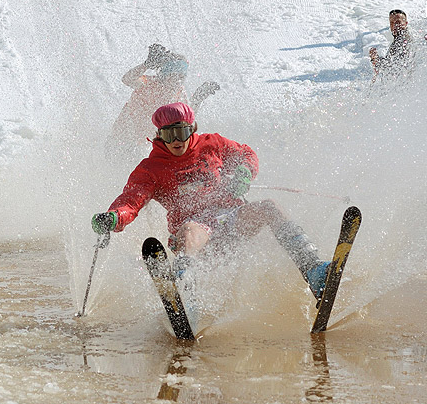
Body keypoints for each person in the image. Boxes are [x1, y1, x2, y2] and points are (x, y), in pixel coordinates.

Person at [91, 102, 332, 298]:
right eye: (168, 134)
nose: (176, 140)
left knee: (269, 207)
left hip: (231, 219)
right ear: (159, 135)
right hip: (195, 232)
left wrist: (245, 172)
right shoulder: (151, 169)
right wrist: (114, 217)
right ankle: (186, 286)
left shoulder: (211, 144)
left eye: (181, 132)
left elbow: (246, 154)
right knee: (190, 230)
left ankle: (313, 269)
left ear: (192, 128)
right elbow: (131, 200)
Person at [107, 44, 220, 163]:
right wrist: (147, 64)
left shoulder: (179, 92)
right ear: (164, 75)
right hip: (121, 140)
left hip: (142, 145)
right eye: (174, 76)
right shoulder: (148, 83)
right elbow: (127, 79)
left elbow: (186, 118)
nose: (178, 81)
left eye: (182, 77)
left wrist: (198, 98)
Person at [369, 9, 415, 78]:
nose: (395, 26)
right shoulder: (400, 38)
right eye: (392, 23)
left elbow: (391, 67)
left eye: (398, 22)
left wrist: (376, 60)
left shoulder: (404, 40)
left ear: (406, 23)